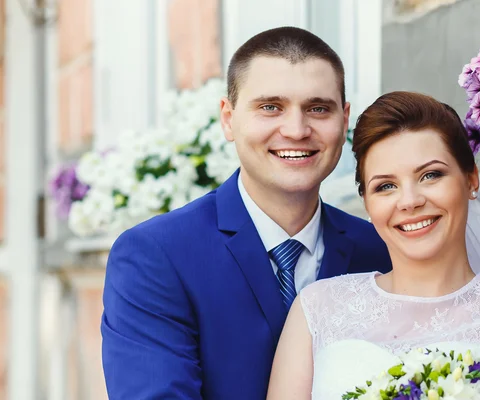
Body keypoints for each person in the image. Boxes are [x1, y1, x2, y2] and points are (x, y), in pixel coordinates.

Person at [100, 27, 392, 399]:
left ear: (344, 119)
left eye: (318, 108)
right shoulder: (156, 255)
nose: (296, 129)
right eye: (270, 107)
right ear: (228, 118)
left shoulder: (380, 250)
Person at [267, 92, 480, 399]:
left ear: (471, 180)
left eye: (430, 175)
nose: (409, 201)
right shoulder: (316, 310)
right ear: (367, 202)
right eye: (386, 186)